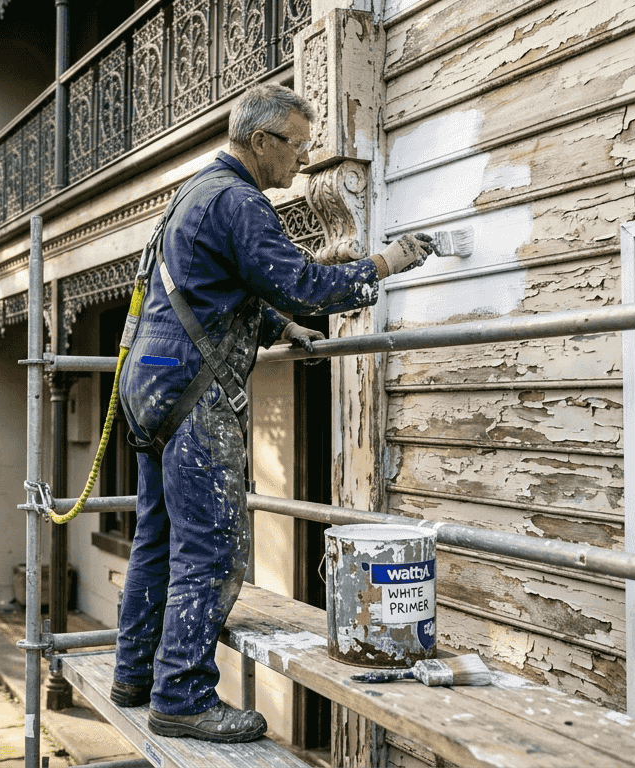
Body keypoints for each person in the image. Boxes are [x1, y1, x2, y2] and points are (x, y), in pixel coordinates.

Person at [112, 83, 433, 743]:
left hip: (149, 385)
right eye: (297, 145)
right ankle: (183, 697)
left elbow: (215, 287)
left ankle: (135, 674)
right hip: (191, 393)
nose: (303, 160)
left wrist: (282, 329)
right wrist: (385, 264)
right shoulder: (240, 201)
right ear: (261, 142)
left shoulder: (195, 194)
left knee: (158, 538)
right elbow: (304, 281)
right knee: (213, 549)